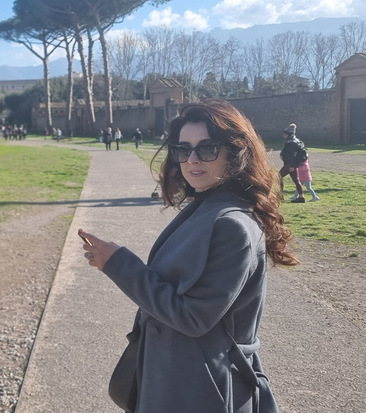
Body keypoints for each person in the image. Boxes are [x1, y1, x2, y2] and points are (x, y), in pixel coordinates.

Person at [79, 100, 296, 413]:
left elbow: (194, 318)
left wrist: (118, 264)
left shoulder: (231, 224)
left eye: (207, 148)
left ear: (235, 152)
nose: (192, 159)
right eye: (183, 149)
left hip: (201, 388)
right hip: (176, 377)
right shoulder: (208, 206)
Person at [279, 123, 307, 203]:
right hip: (294, 164)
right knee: (296, 180)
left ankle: (280, 195)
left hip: (290, 164)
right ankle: (301, 197)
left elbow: (291, 155)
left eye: (284, 134)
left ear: (288, 134)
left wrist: (291, 165)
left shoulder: (290, 142)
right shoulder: (297, 141)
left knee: (278, 177)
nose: (283, 135)